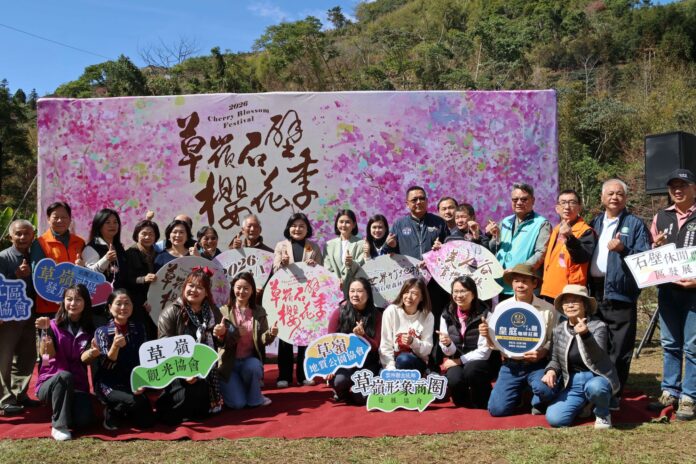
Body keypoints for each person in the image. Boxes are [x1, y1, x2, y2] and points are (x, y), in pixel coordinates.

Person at [589, 178, 650, 408]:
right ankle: (596, 391)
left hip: (621, 293)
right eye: (610, 193)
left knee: (620, 347)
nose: (615, 197)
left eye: (619, 194)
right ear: (602, 198)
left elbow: (644, 258)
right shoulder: (594, 223)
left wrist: (623, 249)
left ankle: (614, 394)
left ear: (625, 198)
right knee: (597, 345)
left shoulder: (635, 224)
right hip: (594, 292)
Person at [156, 268, 233, 424]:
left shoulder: (211, 311)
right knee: (178, 408)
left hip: (204, 368)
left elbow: (230, 335)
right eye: (190, 285)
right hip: (177, 368)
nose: (193, 290)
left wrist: (222, 333)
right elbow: (164, 347)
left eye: (200, 287)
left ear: (206, 293)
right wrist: (185, 371)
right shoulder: (171, 312)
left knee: (201, 409)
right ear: (184, 287)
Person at [482, 264, 559, 417]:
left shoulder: (548, 309)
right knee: (497, 410)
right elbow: (496, 344)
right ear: (512, 284)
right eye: (516, 281)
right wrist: (487, 334)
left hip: (537, 365)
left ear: (534, 284)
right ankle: (519, 394)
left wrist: (543, 352)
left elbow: (553, 340)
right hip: (510, 366)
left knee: (546, 390)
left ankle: (536, 398)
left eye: (525, 281)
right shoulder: (502, 307)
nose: (520, 285)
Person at [649, 169, 696, 419]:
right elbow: (652, 254)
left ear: (694, 188)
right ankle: (670, 391)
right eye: (673, 186)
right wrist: (655, 247)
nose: (678, 190)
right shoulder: (660, 216)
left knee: (693, 346)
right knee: (669, 344)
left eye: (683, 185)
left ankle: (689, 396)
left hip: (694, 291)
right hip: (667, 290)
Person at [542, 285, 620, 429]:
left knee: (596, 388)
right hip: (573, 382)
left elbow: (598, 356)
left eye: (575, 301)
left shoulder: (598, 326)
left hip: (596, 377)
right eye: (566, 302)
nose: (570, 305)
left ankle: (603, 413)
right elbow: (554, 359)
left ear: (585, 305)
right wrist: (551, 370)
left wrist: (586, 335)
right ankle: (586, 403)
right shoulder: (558, 330)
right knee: (555, 419)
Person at [34, 284, 96, 441]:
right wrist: (45, 336)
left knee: (84, 421)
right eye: (69, 299)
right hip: (51, 381)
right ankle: (59, 426)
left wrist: (92, 352)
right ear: (63, 302)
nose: (73, 303)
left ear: (85, 302)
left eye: (78, 299)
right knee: (64, 376)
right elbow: (46, 356)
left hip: (78, 385)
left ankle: (65, 409)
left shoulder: (89, 329)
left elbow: (85, 359)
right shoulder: (51, 325)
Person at [272, 213, 323, 388]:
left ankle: (304, 375)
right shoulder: (281, 246)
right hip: (286, 298)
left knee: (305, 337)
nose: (297, 229)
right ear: (289, 228)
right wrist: (283, 264)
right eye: (294, 225)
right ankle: (284, 376)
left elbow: (321, 274)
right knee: (285, 338)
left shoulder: (314, 247)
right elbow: (275, 271)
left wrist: (315, 267)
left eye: (302, 226)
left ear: (307, 229)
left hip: (307, 298)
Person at [93, 289, 155, 430]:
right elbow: (105, 365)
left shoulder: (139, 328)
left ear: (132, 306)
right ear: (110, 307)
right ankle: (112, 410)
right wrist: (115, 347)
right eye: (118, 303)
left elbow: (144, 359)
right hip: (109, 384)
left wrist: (141, 382)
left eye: (127, 303)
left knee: (147, 422)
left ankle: (123, 408)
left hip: (132, 381)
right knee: (134, 403)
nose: (123, 307)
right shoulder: (102, 332)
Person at [218, 272, 277, 409]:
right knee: (238, 404)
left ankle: (255, 398)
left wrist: (270, 334)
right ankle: (239, 390)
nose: (242, 292)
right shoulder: (223, 311)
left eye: (246, 288)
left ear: (252, 290)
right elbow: (221, 342)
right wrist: (233, 334)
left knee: (253, 367)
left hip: (248, 361)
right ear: (233, 288)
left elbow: (262, 340)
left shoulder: (259, 311)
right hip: (228, 365)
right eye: (238, 287)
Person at [485, 183, 551, 298]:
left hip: (525, 285)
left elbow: (541, 254)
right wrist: (495, 237)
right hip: (504, 284)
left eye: (524, 199)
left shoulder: (542, 223)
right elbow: (494, 248)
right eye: (515, 200)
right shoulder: (505, 221)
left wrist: (518, 271)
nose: (519, 203)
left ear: (533, 200)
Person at [0, 219, 38, 416]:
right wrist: (16, 276)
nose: (22, 237)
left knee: (27, 355)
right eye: (18, 234)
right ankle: (4, 400)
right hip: (9, 315)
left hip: (31, 312)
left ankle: (19, 394)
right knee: (4, 357)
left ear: (33, 236)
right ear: (10, 236)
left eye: (26, 233)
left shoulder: (36, 256)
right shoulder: (3, 257)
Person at [437, 276, 493, 408]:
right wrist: (448, 344)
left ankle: (483, 399)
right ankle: (463, 401)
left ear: (473, 294)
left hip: (479, 361)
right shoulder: (446, 314)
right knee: (454, 378)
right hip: (456, 357)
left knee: (471, 370)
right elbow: (448, 352)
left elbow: (484, 351)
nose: (458, 295)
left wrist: (459, 361)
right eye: (455, 291)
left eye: (463, 291)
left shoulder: (485, 315)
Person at [327, 277, 383, 404]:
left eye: (359, 291)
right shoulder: (339, 312)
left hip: (368, 363)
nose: (355, 295)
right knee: (339, 381)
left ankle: (358, 391)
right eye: (352, 291)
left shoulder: (377, 315)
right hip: (345, 362)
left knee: (360, 398)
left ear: (368, 293)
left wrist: (363, 335)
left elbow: (375, 346)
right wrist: (330, 368)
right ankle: (341, 392)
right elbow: (329, 342)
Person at [30, 201, 86, 315]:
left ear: (70, 219)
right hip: (49, 306)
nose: (60, 221)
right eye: (56, 217)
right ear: (48, 219)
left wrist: (83, 267)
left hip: (75, 305)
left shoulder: (80, 242)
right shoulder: (40, 243)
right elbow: (37, 276)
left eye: (64, 217)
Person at [540, 190, 596, 302]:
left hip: (570, 293)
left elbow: (582, 257)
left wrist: (570, 237)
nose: (567, 207)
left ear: (579, 207)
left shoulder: (586, 231)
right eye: (563, 202)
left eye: (572, 202)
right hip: (549, 290)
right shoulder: (556, 229)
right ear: (557, 208)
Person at [82, 208, 129, 327]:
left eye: (115, 222)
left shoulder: (119, 247)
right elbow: (90, 274)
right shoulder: (91, 248)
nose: (112, 225)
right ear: (99, 225)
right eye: (107, 222)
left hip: (119, 305)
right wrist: (106, 259)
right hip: (99, 308)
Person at [379, 278, 434, 375]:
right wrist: (391, 368)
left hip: (415, 360)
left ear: (422, 297)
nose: (409, 296)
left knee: (404, 360)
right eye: (406, 292)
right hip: (393, 360)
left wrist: (413, 341)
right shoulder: (391, 311)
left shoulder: (427, 316)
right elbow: (385, 344)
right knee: (383, 375)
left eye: (414, 293)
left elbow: (427, 349)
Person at [386, 186, 448, 260]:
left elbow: (449, 249)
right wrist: (390, 246)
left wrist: (443, 247)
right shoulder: (399, 224)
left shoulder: (439, 222)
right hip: (408, 267)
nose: (418, 202)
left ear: (427, 201)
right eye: (414, 200)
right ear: (407, 204)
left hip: (433, 266)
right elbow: (388, 253)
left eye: (422, 198)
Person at [124, 219, 160, 340]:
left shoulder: (159, 254)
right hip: (137, 302)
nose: (147, 237)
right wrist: (143, 279)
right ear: (137, 235)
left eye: (151, 234)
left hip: (155, 301)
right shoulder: (129, 254)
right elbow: (126, 279)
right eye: (144, 234)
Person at [323, 209, 365, 297]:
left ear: (354, 225)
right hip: (335, 291)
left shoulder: (361, 243)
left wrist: (351, 263)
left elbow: (362, 265)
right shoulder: (329, 245)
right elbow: (327, 268)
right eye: (341, 222)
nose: (344, 225)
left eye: (347, 222)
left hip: (355, 292)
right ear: (337, 224)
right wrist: (335, 280)